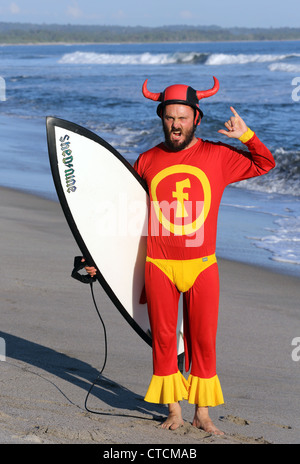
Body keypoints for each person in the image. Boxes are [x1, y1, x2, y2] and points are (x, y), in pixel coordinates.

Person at [85, 76, 275, 435]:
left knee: (203, 339)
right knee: (163, 340)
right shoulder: (147, 160)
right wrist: (99, 257)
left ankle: (203, 413)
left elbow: (265, 164)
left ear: (196, 119)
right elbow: (129, 216)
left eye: (183, 118)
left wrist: (247, 137)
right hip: (159, 265)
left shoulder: (219, 156)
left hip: (202, 265)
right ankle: (173, 409)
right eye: (170, 117)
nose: (175, 125)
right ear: (162, 119)